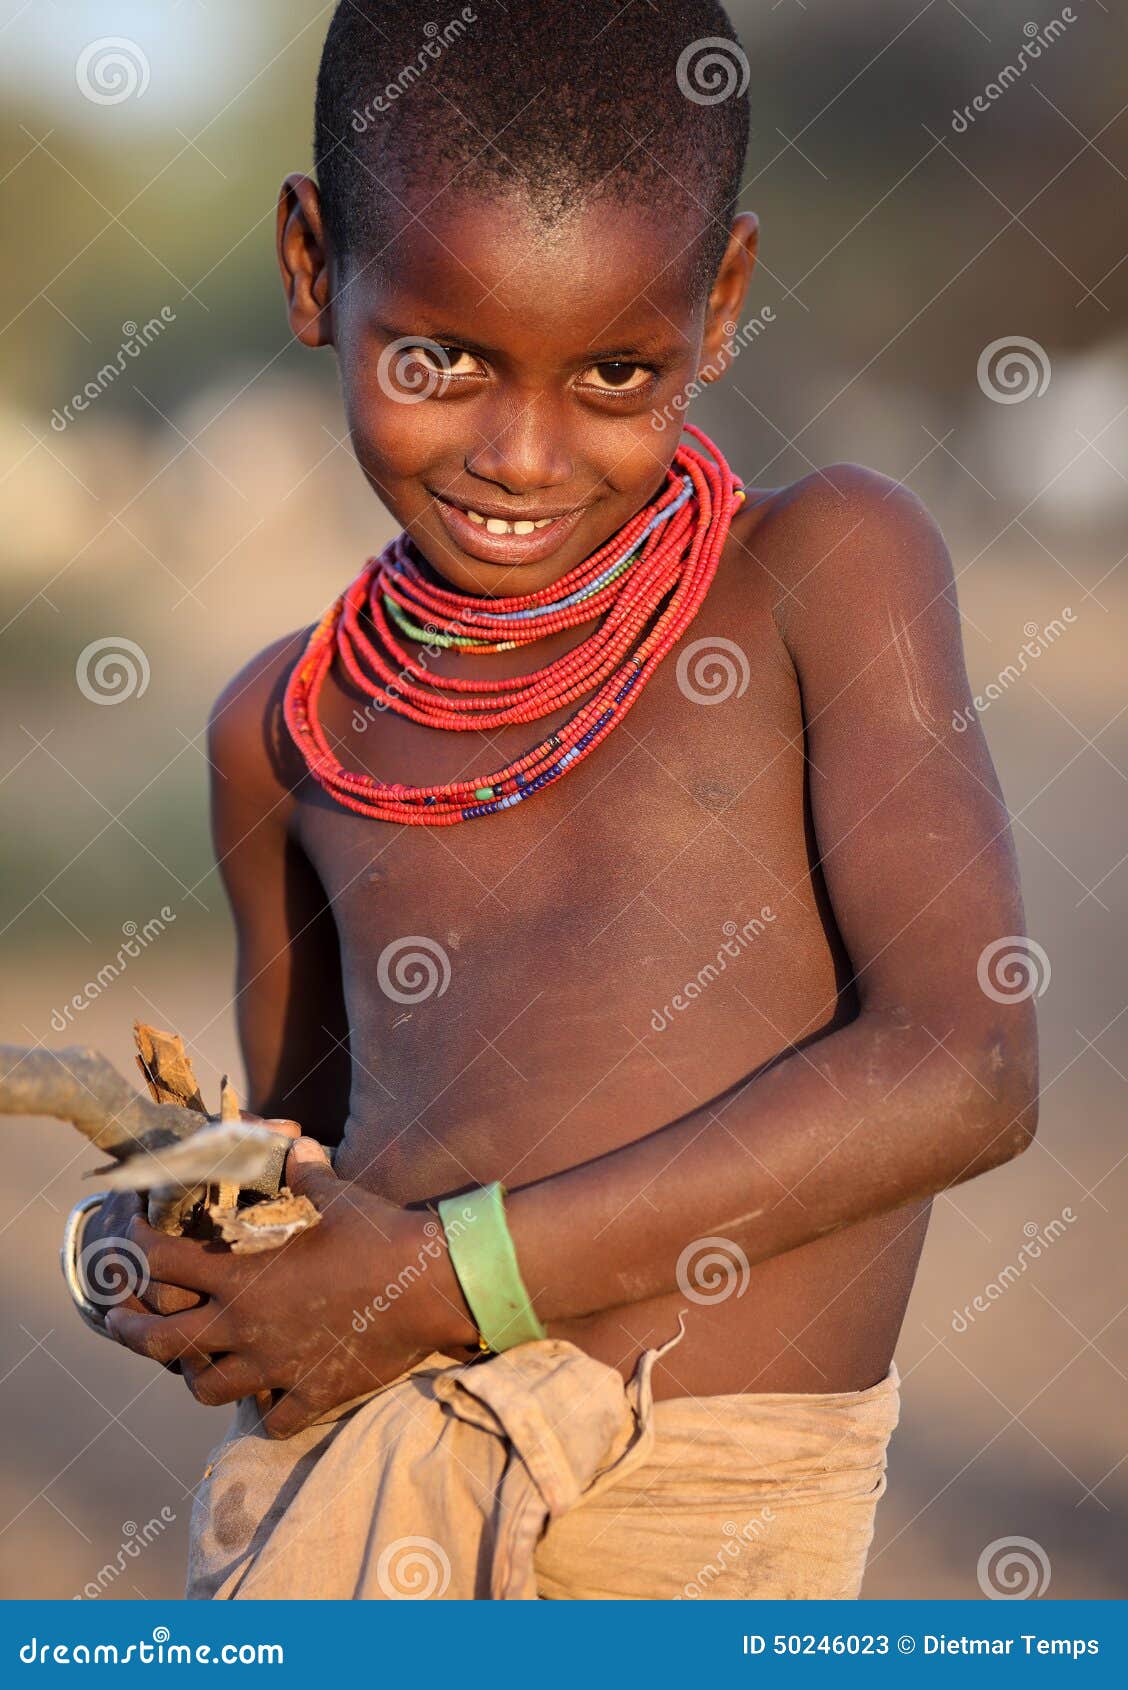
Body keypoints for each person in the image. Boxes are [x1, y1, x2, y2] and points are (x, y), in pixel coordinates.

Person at [71, 0, 1038, 1600]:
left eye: (615, 369)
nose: (521, 452)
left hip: (705, 1533)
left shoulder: (824, 573)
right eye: (440, 360)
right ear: (316, 271)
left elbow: (969, 1065)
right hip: (371, 1506)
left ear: (719, 302)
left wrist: (448, 1277)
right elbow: (315, 1185)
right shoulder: (284, 727)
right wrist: (212, 1267)